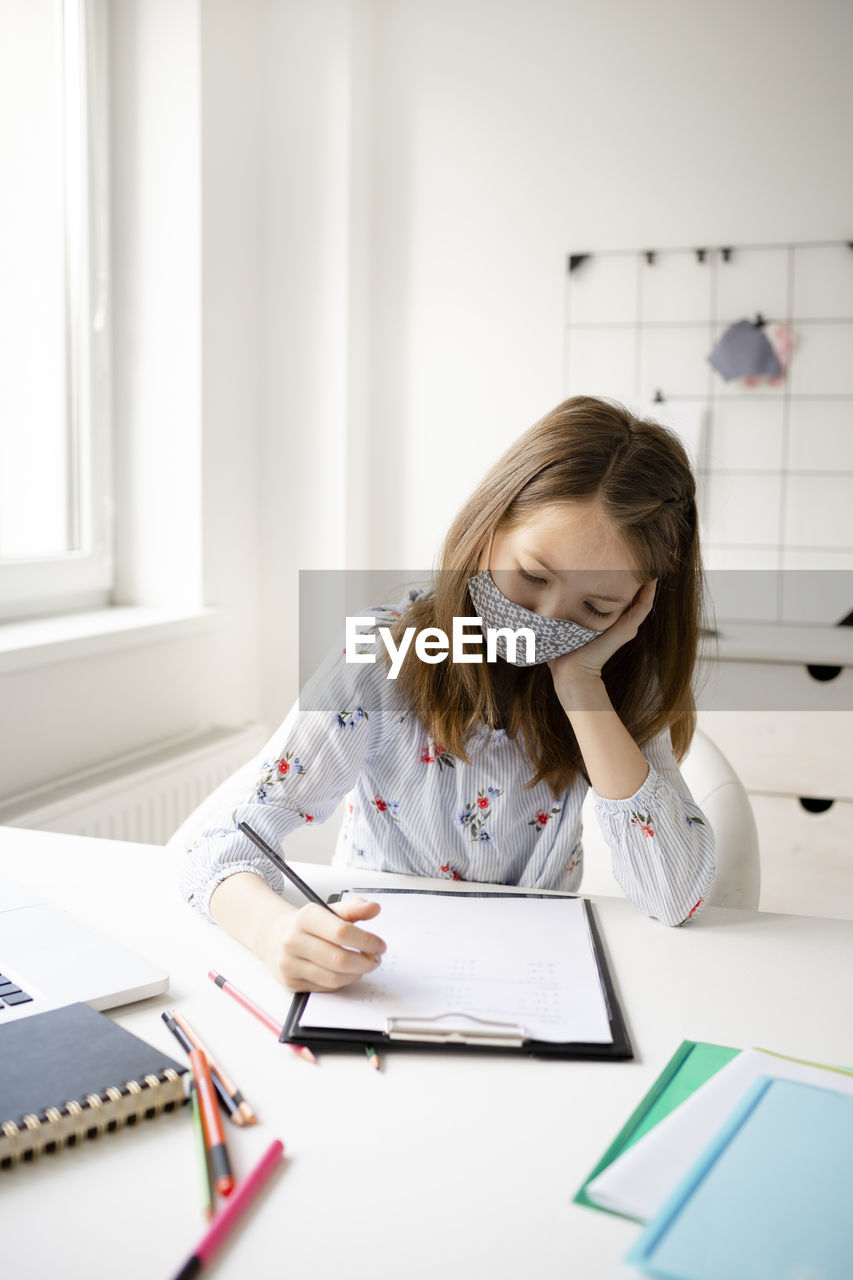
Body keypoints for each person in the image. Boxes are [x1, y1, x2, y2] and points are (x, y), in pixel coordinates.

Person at [178, 395, 716, 992]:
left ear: (637, 607)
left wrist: (582, 687)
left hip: (534, 977)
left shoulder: (617, 679)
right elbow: (219, 847)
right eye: (533, 577)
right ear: (488, 528)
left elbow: (678, 895)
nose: (544, 622)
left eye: (597, 606)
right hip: (382, 969)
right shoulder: (386, 651)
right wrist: (274, 932)